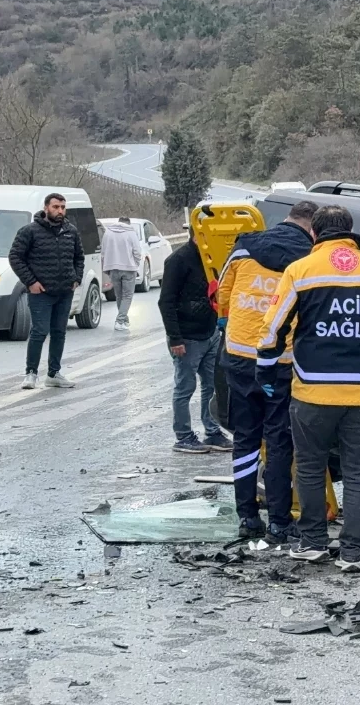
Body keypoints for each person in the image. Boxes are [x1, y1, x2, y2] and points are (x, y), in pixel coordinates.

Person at [257, 205, 360, 569]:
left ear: (314, 233)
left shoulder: (301, 270)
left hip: (312, 391)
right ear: (350, 231)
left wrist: (266, 367)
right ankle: (352, 553)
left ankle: (313, 542)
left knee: (310, 467)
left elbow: (273, 327)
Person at [215, 201, 317, 541]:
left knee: (245, 438)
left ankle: (247, 517)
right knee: (278, 442)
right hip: (282, 361)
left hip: (241, 358)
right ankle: (278, 521)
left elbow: (223, 293)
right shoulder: (308, 257)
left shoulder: (245, 245)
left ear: (286, 220)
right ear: (311, 227)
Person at [158, 232, 233, 455]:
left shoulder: (214, 257)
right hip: (187, 337)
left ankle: (212, 432)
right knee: (185, 387)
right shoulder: (178, 260)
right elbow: (166, 301)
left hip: (210, 332)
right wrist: (175, 338)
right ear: (196, 236)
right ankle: (183, 436)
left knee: (213, 385)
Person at [9, 193, 84, 389]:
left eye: (62, 207)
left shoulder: (71, 231)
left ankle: (54, 373)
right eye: (56, 207)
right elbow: (16, 257)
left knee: (59, 332)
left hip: (64, 292)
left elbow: (79, 257)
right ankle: (31, 373)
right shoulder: (30, 231)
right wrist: (31, 282)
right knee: (39, 332)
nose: (60, 211)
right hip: (41, 293)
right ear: (46, 208)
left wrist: (76, 278)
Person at [101, 217, 143, 332]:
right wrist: (136, 264)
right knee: (127, 296)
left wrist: (106, 268)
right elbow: (137, 252)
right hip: (129, 268)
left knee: (119, 296)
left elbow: (103, 252)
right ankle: (119, 321)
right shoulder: (130, 232)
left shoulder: (108, 232)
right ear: (128, 224)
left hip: (113, 268)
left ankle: (124, 320)